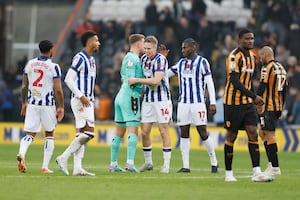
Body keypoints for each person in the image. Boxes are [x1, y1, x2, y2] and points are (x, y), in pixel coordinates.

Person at [223, 28, 273, 182]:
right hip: (232, 102)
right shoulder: (234, 56)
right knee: (232, 135)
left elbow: (248, 82)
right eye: (247, 39)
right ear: (239, 40)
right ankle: (228, 173)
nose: (250, 41)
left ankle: (256, 172)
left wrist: (255, 99)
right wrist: (254, 96)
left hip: (247, 103)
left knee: (253, 133)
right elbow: (235, 81)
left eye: (252, 38)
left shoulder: (253, 57)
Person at [168, 38, 218, 173]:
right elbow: (166, 74)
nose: (183, 50)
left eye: (185, 48)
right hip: (183, 103)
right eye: (182, 48)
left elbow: (209, 82)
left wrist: (212, 102)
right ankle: (186, 166)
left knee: (202, 132)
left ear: (193, 48)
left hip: (198, 103)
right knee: (184, 132)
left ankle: (214, 162)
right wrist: (161, 60)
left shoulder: (202, 62)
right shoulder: (181, 63)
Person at [56, 30, 100, 176]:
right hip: (82, 101)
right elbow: (68, 78)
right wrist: (81, 96)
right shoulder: (80, 58)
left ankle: (77, 168)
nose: (98, 43)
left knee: (81, 134)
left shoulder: (92, 59)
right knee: (89, 133)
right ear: (89, 42)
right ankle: (63, 157)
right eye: (96, 40)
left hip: (88, 100)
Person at [17, 40, 64, 174]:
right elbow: (58, 89)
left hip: (32, 103)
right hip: (47, 105)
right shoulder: (53, 66)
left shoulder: (30, 64)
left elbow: (24, 86)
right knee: (49, 134)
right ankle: (44, 167)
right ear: (51, 50)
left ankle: (21, 153)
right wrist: (61, 106)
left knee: (30, 134)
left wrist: (24, 102)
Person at [128, 36, 172, 173]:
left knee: (163, 130)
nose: (146, 51)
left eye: (149, 49)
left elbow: (156, 81)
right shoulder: (143, 60)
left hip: (162, 100)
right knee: (145, 131)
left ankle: (166, 165)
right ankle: (148, 162)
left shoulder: (161, 60)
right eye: (145, 48)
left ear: (155, 48)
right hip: (148, 99)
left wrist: (136, 80)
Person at [109, 33, 145, 173]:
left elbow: (122, 77)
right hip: (130, 95)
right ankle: (130, 162)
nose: (145, 45)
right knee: (133, 129)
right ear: (138, 44)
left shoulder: (126, 57)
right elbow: (130, 79)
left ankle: (113, 164)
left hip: (121, 95)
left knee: (119, 131)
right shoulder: (132, 58)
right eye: (143, 42)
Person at [256, 46, 288, 176]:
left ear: (265, 55)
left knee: (269, 135)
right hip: (277, 106)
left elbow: (262, 86)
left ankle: (275, 167)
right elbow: (284, 90)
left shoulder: (266, 68)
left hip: (268, 106)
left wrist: (257, 102)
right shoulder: (281, 68)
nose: (260, 59)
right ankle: (271, 163)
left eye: (260, 56)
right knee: (262, 133)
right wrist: (281, 107)